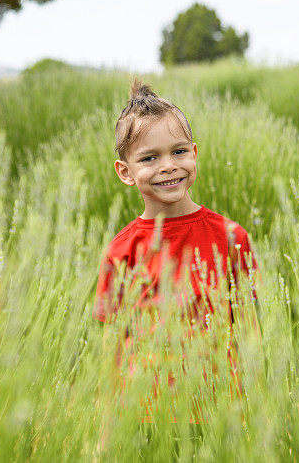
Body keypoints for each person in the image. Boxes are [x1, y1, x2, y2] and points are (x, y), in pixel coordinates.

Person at [92, 78, 261, 423]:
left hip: (219, 415)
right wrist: (106, 431)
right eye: (150, 157)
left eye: (179, 151)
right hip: (146, 419)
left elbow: (249, 333)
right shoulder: (120, 251)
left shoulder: (231, 238)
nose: (168, 165)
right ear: (125, 172)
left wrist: (258, 412)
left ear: (194, 154)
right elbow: (112, 349)